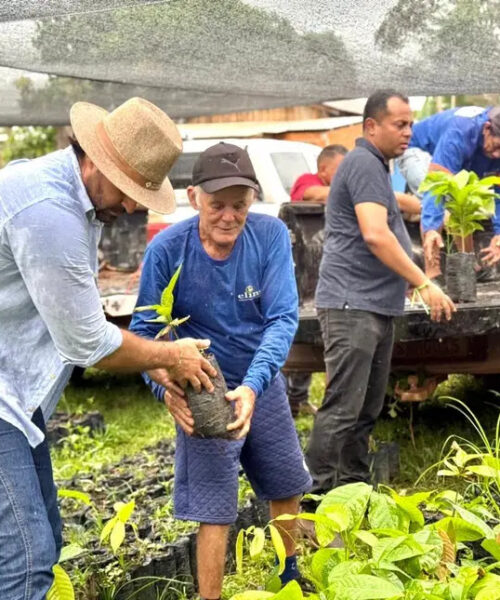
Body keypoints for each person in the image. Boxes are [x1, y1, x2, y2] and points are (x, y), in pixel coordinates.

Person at [0, 97, 216, 600]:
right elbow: (87, 343)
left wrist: (153, 364)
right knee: (26, 562)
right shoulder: (48, 209)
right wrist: (169, 354)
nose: (135, 207)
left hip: (16, 397)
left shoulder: (74, 195)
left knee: (42, 544)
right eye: (132, 190)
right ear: (94, 158)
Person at [130, 142, 312, 600]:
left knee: (285, 481)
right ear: (194, 198)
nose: (229, 216)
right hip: (203, 386)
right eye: (217, 205)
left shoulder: (269, 236)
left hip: (260, 380)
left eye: (240, 204)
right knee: (215, 507)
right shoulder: (167, 249)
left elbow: (283, 318)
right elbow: (144, 333)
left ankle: (289, 575)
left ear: (252, 200)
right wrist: (166, 392)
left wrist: (253, 386)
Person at [306, 90, 455, 497]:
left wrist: (405, 272)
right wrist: (424, 281)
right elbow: (375, 234)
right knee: (343, 409)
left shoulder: (375, 166)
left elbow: (379, 231)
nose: (409, 132)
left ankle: (353, 493)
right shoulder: (364, 164)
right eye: (400, 124)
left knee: (366, 410)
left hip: (372, 304)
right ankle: (314, 502)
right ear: (371, 126)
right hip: (352, 305)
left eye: (411, 124)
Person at [397, 106, 500, 278]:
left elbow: (497, 194)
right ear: (487, 128)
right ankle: (432, 272)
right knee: (443, 201)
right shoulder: (460, 133)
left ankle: (466, 264)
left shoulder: (494, 151)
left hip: (458, 161)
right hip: (418, 151)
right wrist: (431, 228)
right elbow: (436, 186)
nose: (498, 155)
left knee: (462, 206)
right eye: (497, 146)